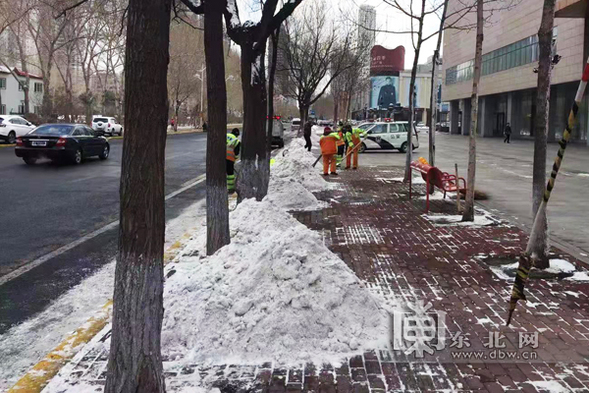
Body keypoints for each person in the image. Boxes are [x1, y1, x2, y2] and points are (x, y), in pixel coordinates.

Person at [226, 128, 241, 194]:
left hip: (219, 157)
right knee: (230, 174)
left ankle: (221, 185)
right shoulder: (236, 141)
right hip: (229, 158)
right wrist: (234, 159)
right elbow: (236, 153)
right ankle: (230, 188)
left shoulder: (226, 135)